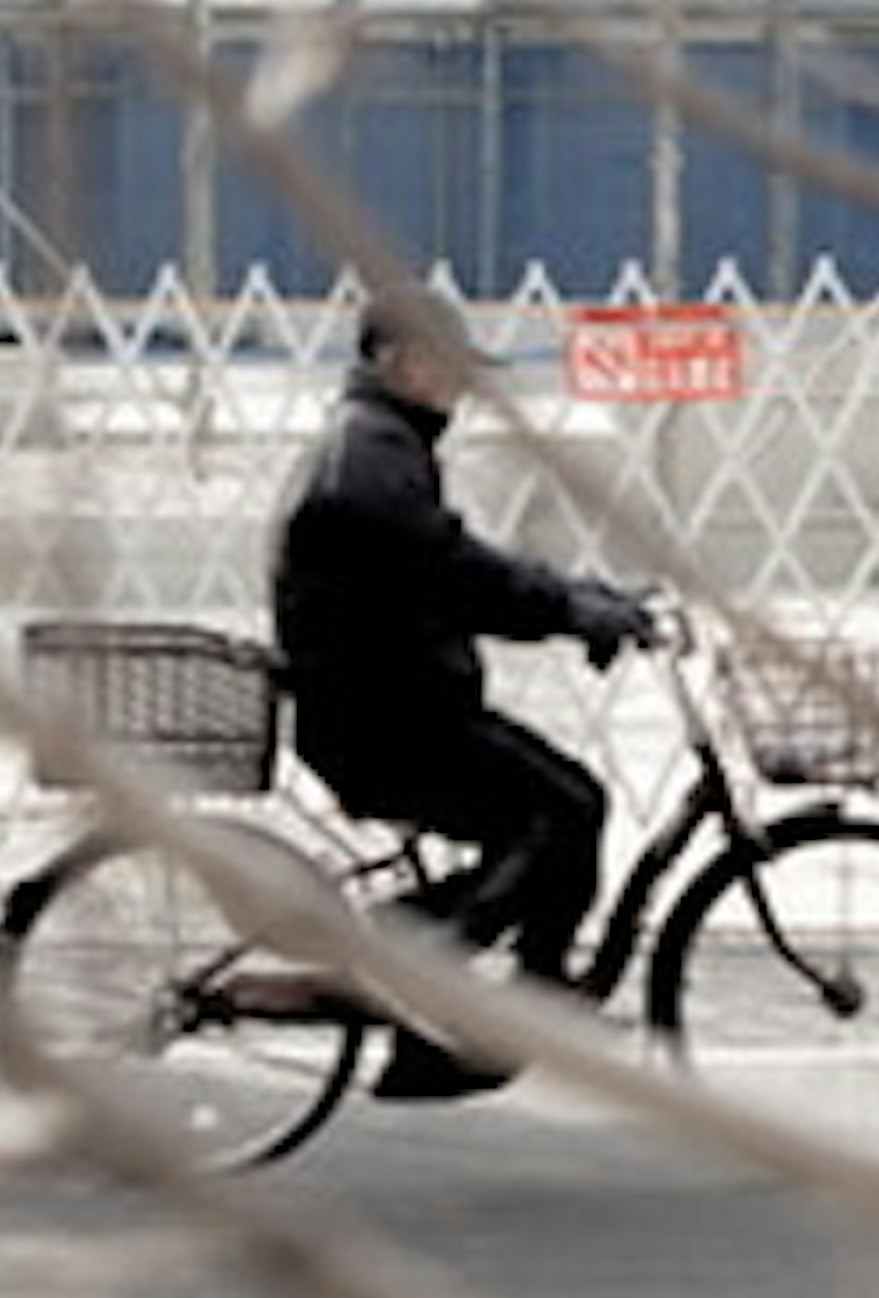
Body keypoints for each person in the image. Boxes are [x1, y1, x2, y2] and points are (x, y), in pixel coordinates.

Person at [269, 284, 655, 1100]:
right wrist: (572, 609)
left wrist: (575, 599)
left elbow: (462, 567)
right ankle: (440, 975)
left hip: (393, 704)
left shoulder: (378, 441)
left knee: (560, 808)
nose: (459, 386)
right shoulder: (372, 458)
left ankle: (472, 998)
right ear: (399, 362)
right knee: (565, 811)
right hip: (383, 721)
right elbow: (460, 575)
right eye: (446, 366)